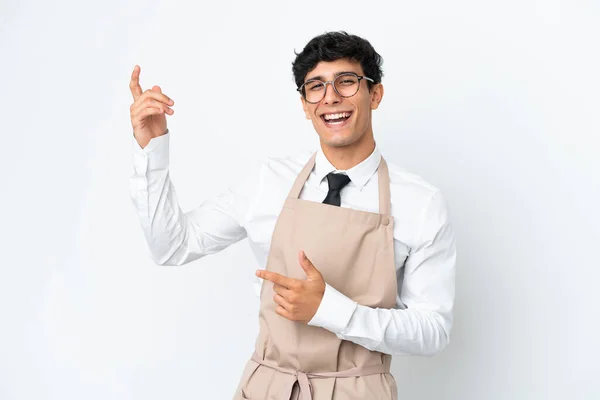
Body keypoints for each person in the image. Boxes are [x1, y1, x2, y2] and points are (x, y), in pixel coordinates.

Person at [129, 31, 456, 400]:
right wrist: (152, 148)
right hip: (267, 387)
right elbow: (172, 247)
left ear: (375, 94)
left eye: (346, 82)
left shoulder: (420, 202)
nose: (330, 97)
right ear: (304, 104)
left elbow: (433, 330)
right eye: (315, 86)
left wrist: (330, 310)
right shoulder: (269, 182)